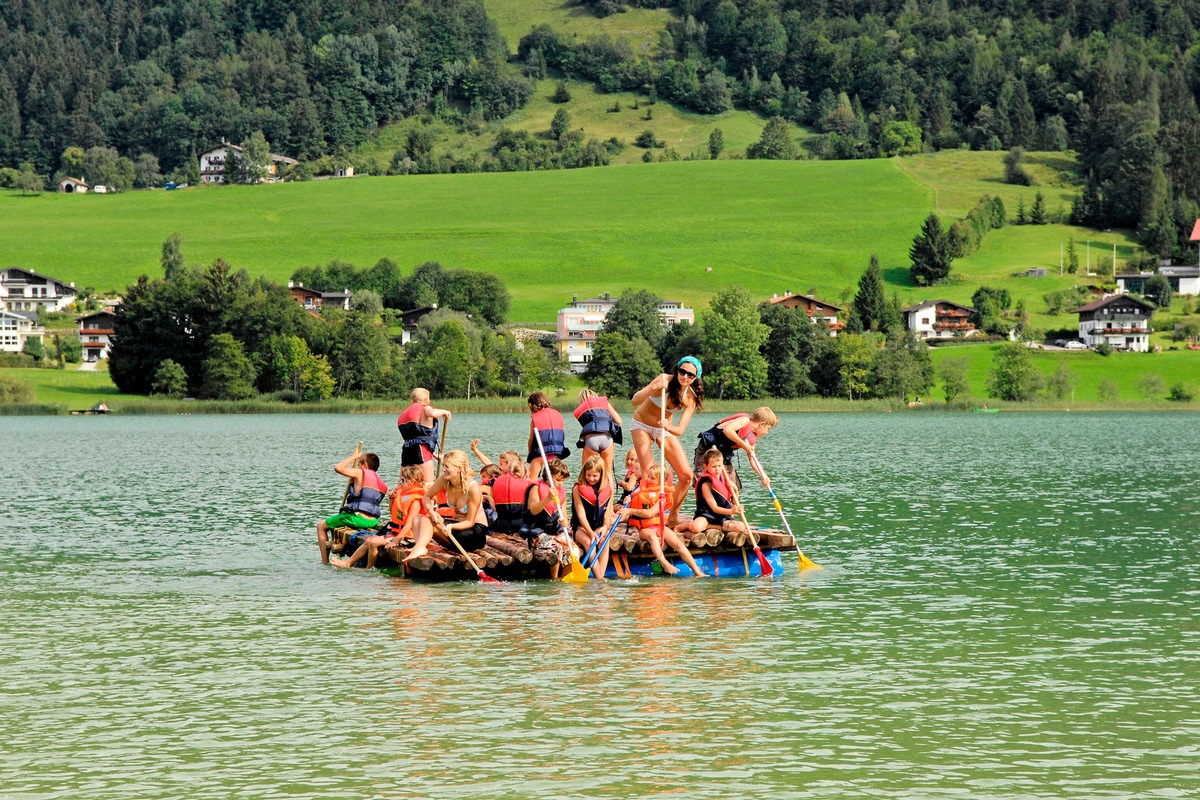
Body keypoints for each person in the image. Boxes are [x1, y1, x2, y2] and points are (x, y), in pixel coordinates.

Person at [629, 356, 705, 527]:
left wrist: (667, 427)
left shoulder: (690, 398)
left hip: (664, 429)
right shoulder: (663, 379)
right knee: (650, 475)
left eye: (690, 375)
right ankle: (646, 516)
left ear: (695, 377)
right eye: (682, 371)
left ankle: (672, 515)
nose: (685, 376)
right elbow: (635, 400)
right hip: (641, 424)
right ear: (677, 369)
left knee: (686, 476)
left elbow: (679, 430)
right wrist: (654, 387)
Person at [620, 463, 707, 577]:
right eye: (649, 477)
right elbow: (632, 500)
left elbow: (650, 513)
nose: (649, 480)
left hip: (657, 526)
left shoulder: (663, 496)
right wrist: (628, 500)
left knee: (678, 544)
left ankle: (697, 571)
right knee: (652, 537)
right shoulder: (640, 488)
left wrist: (630, 511)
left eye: (653, 478)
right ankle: (664, 563)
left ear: (662, 481)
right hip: (644, 529)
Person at [331, 465, 425, 569]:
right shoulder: (403, 495)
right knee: (369, 541)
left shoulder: (416, 501)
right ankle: (348, 563)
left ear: (411, 482)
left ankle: (368, 569)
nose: (400, 483)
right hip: (397, 532)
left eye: (402, 480)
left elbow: (409, 524)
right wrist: (392, 499)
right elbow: (395, 515)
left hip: (408, 537)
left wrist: (395, 541)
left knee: (374, 542)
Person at [404, 450, 489, 562]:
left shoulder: (473, 488)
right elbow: (426, 497)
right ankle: (419, 547)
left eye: (447, 466)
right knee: (418, 518)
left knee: (428, 522)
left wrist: (451, 526)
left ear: (459, 468)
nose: (444, 469)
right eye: (443, 465)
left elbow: (470, 522)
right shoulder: (445, 480)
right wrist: (431, 511)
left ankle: (419, 547)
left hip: (474, 533)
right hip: (455, 529)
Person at [317, 451, 388, 565]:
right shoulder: (383, 485)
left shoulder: (361, 473)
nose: (358, 466)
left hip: (357, 518)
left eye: (359, 464)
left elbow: (338, 468)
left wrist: (353, 457)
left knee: (321, 525)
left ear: (365, 465)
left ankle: (324, 562)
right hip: (373, 521)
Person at [693, 406, 778, 491]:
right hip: (708, 449)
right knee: (704, 481)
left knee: (733, 486)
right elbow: (728, 430)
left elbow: (752, 458)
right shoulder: (744, 420)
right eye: (768, 428)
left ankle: (731, 504)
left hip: (723, 455)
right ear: (762, 424)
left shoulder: (751, 439)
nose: (767, 432)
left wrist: (763, 475)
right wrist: (745, 445)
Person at [677, 448, 746, 537]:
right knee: (696, 527)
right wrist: (731, 511)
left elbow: (734, 502)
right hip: (707, 515)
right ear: (706, 467)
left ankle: (709, 527)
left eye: (719, 466)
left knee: (740, 526)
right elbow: (714, 508)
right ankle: (687, 525)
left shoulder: (725, 479)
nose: (717, 469)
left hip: (722, 517)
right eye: (714, 466)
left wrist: (735, 489)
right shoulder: (705, 484)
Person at [527, 458, 572, 579]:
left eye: (563, 481)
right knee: (556, 548)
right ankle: (555, 578)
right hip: (538, 534)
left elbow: (565, 517)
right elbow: (533, 509)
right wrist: (547, 498)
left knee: (573, 550)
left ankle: (564, 579)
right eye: (558, 480)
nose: (560, 484)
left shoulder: (561, 492)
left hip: (555, 533)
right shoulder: (536, 488)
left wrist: (563, 522)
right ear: (548, 476)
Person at [572, 455, 615, 580]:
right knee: (589, 542)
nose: (591, 478)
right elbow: (581, 515)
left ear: (601, 475)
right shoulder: (577, 489)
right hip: (582, 528)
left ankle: (599, 576)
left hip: (600, 526)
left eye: (595, 476)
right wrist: (590, 533)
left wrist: (605, 527)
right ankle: (600, 578)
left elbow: (608, 513)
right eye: (588, 475)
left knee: (604, 541)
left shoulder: (608, 489)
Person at [396, 388, 452, 483]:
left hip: (406, 451)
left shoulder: (404, 413)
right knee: (428, 484)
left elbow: (415, 440)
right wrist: (445, 412)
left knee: (403, 484)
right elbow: (432, 413)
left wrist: (434, 454)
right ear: (426, 399)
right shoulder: (425, 407)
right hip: (421, 451)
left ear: (412, 400)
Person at [573, 389, 623, 481]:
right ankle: (610, 496)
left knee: (585, 472)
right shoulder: (604, 403)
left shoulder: (583, 407)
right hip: (607, 439)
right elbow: (619, 421)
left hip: (591, 440)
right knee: (608, 473)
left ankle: (585, 494)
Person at [526, 391, 570, 479]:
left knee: (532, 479)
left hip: (540, 454)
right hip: (556, 453)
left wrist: (530, 456)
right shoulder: (557, 414)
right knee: (555, 480)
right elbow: (562, 435)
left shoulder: (535, 418)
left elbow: (531, 440)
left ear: (531, 405)